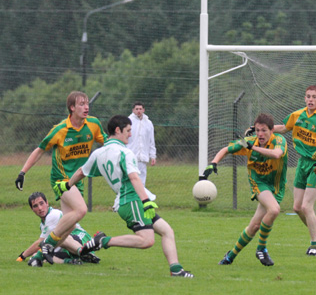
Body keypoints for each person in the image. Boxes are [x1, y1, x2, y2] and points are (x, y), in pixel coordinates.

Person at [66, 115, 193, 278]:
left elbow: (80, 172)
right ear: (117, 130)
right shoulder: (125, 153)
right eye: (128, 130)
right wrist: (146, 201)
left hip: (128, 201)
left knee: (167, 231)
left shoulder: (98, 153)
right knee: (147, 240)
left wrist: (67, 186)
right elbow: (134, 178)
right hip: (132, 200)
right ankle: (103, 241)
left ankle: (176, 269)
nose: (130, 134)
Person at [14, 91, 107, 265]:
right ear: (72, 108)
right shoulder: (60, 130)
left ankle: (38, 258)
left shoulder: (93, 124)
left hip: (77, 181)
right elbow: (40, 150)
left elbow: (107, 144)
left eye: (87, 103)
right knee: (81, 210)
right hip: (61, 181)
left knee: (68, 226)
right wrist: (22, 172)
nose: (86, 107)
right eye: (81, 104)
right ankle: (47, 245)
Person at [202, 113, 288, 266]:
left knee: (254, 227)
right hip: (258, 183)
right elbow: (226, 149)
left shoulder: (280, 140)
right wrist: (213, 163)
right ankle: (261, 249)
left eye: (264, 131)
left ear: (272, 130)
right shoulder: (248, 142)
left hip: (276, 186)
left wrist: (252, 147)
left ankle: (230, 256)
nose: (260, 134)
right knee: (274, 210)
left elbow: (276, 154)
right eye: (257, 130)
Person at [270, 85, 316, 257]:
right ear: (305, 98)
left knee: (306, 206)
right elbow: (284, 128)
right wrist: (265, 129)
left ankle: (314, 247)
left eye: (314, 97)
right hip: (302, 163)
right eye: (308, 96)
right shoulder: (298, 115)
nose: (310, 99)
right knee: (297, 207)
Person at [17, 192, 100, 267]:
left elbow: (41, 242)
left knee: (62, 239)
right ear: (32, 209)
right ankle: (70, 261)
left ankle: (84, 252)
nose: (40, 208)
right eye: (35, 206)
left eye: (41, 203)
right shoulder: (43, 223)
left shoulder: (53, 215)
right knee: (42, 254)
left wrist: (22, 256)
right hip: (68, 245)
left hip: (80, 237)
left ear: (47, 203)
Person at [126, 102, 157, 200]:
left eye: (140, 109)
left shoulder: (148, 123)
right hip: (131, 156)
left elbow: (151, 140)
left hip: (142, 157)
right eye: (136, 109)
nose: (138, 111)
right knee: (130, 180)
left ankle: (140, 201)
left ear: (144, 110)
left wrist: (153, 155)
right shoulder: (128, 122)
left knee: (141, 181)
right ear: (133, 110)